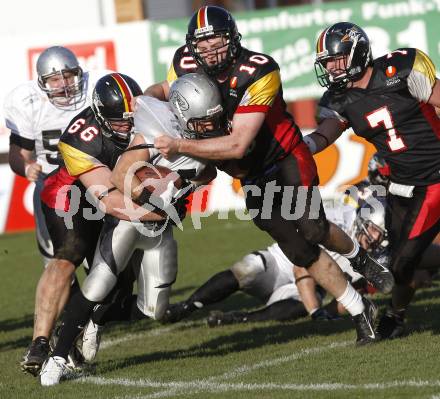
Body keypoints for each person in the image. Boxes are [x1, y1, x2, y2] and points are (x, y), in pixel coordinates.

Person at [149, 6, 393, 346]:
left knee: (312, 228)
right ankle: (360, 310)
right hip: (250, 174)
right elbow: (166, 90)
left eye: (217, 41)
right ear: (192, 48)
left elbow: (238, 144)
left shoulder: (258, 70)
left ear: (232, 39)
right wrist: (143, 104)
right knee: (298, 252)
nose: (211, 51)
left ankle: (359, 258)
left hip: (283, 158)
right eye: (202, 46)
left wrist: (177, 144)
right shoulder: (185, 64)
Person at [39, 73, 226, 386]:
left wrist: (187, 181)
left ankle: (95, 319)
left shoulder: (162, 117)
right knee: (97, 284)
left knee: (154, 310)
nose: (128, 126)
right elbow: (120, 178)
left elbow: (208, 171)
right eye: (203, 121)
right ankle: (56, 357)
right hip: (125, 217)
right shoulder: (150, 131)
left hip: (159, 228)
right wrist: (155, 201)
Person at [307, 22, 440, 339]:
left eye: (333, 59)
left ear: (356, 53)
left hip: (435, 178)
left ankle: (394, 318)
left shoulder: (401, 68)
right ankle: (396, 315)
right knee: (398, 263)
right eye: (325, 62)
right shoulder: (338, 100)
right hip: (400, 185)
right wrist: (301, 147)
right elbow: (325, 135)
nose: (329, 68)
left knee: (405, 259)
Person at [21, 72, 158, 376]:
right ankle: (39, 344)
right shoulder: (78, 139)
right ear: (101, 116)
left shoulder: (146, 115)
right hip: (70, 196)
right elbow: (108, 200)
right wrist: (159, 212)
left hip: (114, 191)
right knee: (69, 255)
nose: (128, 126)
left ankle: (86, 326)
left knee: (122, 278)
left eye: (131, 118)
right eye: (119, 121)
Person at [6, 46, 111, 375]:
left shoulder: (95, 88)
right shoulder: (25, 102)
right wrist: (26, 168)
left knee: (107, 267)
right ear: (41, 82)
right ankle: (56, 338)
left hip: (94, 184)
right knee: (59, 265)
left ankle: (81, 325)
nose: (64, 84)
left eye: (69, 75)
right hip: (55, 192)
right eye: (55, 78)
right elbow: (17, 152)